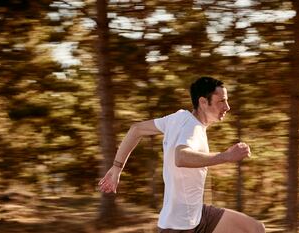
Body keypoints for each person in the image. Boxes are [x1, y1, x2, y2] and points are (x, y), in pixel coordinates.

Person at [98, 77, 266, 233]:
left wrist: (116, 167)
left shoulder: (178, 118)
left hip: (198, 215)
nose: (227, 107)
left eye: (226, 100)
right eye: (221, 101)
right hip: (178, 227)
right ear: (202, 102)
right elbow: (181, 157)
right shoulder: (192, 127)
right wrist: (225, 156)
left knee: (256, 228)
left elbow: (136, 130)